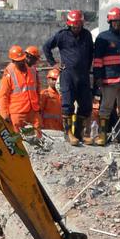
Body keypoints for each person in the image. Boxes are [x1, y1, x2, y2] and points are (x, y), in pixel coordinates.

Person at [42, 9, 93, 146]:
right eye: (74, 26)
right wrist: (54, 64)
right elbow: (46, 47)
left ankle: (79, 133)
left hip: (83, 75)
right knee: (67, 105)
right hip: (68, 75)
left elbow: (90, 53)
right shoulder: (62, 36)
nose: (76, 28)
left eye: (79, 26)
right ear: (69, 25)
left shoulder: (87, 35)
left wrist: (88, 69)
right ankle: (68, 133)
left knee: (86, 105)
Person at [91, 7, 120, 146]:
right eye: (115, 21)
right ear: (110, 22)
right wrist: (98, 77)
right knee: (106, 107)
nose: (117, 24)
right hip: (108, 79)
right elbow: (98, 59)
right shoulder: (103, 38)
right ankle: (103, 134)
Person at [0, 44, 42, 136]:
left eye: (22, 60)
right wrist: (4, 114)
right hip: (17, 113)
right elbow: (2, 95)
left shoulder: (32, 70)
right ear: (13, 61)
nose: (21, 63)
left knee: (38, 137)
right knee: (18, 141)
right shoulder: (9, 72)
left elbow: (37, 90)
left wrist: (39, 105)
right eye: (18, 61)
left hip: (33, 111)